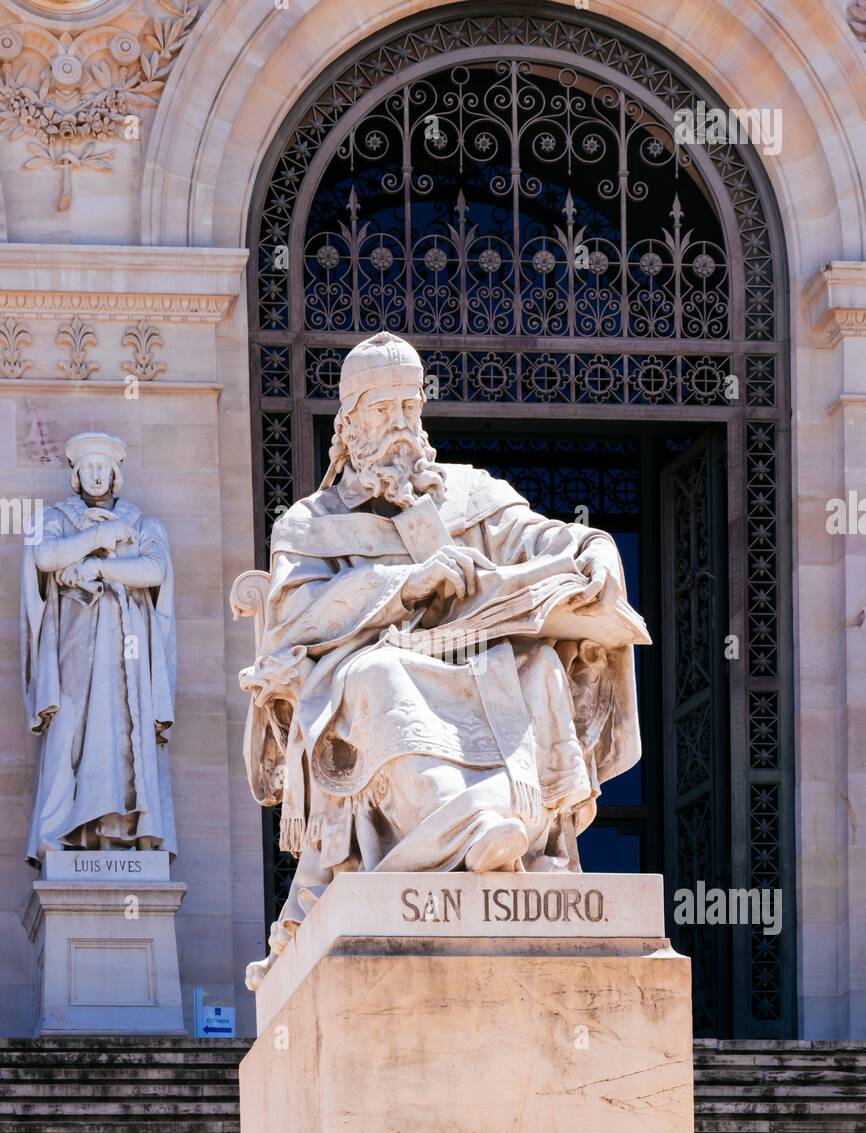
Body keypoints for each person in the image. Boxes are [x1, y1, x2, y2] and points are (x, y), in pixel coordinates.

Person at [239, 332, 647, 951]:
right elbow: (292, 621)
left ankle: (499, 831)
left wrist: (595, 550)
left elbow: (539, 538)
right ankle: (459, 821)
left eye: (410, 407)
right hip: (372, 666)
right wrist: (404, 587)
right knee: (378, 676)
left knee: (537, 664)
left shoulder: (469, 494)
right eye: (383, 408)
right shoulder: (309, 522)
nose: (401, 424)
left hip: (478, 659)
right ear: (348, 425)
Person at [21, 432, 176, 865]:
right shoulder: (54, 517)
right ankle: (55, 832)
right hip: (72, 644)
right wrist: (97, 542)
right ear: (75, 475)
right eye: (85, 466)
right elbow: (45, 557)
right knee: (68, 729)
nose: (94, 474)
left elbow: (154, 567)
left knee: (123, 730)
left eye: (101, 467)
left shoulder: (143, 523)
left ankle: (120, 833)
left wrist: (98, 568)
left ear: (115, 474)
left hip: (127, 647)